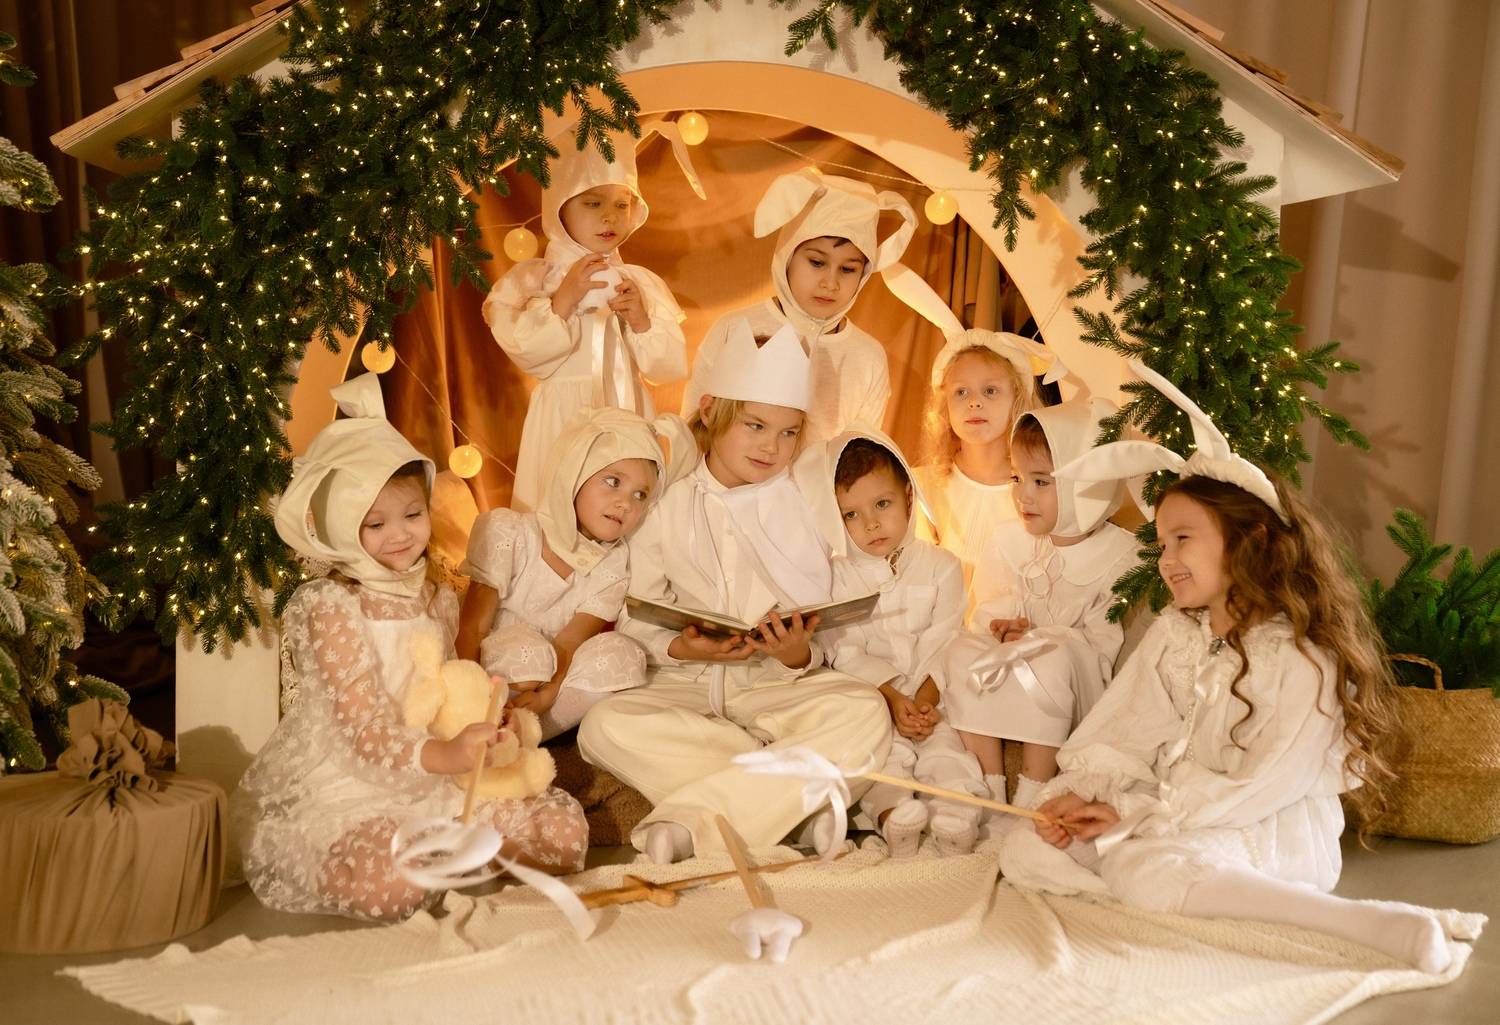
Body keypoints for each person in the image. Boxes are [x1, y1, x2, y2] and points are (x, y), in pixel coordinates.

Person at [998, 360, 1466, 974]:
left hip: (1260, 823)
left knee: (1147, 867)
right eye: (1161, 543)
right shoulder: (1175, 634)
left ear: (1249, 540)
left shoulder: (1304, 656)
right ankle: (1161, 883)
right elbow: (1125, 732)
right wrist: (1086, 797)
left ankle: (1371, 924)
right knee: (1024, 849)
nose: (1166, 559)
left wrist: (1138, 820)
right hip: (1167, 814)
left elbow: (1264, 783)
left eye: (1183, 539)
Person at [231, 374, 587, 921]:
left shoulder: (437, 596)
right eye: (375, 524)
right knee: (391, 881)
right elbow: (359, 732)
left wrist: (490, 720)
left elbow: (452, 689)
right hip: (359, 776)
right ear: (342, 527)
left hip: (442, 766)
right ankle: (412, 856)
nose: (400, 535)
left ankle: (462, 850)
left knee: (561, 835)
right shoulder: (333, 606)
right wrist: (443, 756)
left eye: (413, 515)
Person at [580, 321, 891, 864]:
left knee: (864, 711)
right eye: (755, 425)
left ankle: (690, 824)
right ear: (710, 411)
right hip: (686, 685)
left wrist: (796, 656)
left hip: (774, 686)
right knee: (602, 727)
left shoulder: (807, 501)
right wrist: (682, 647)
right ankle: (794, 808)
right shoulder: (663, 501)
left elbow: (826, 622)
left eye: (789, 433)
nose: (772, 447)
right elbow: (636, 619)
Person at [483, 123, 704, 510]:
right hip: (566, 416)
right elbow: (529, 352)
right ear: (560, 208)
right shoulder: (542, 280)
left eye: (621, 205)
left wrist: (641, 322)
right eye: (593, 204)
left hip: (625, 406)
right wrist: (563, 301)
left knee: (627, 503)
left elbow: (666, 367)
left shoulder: (637, 282)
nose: (610, 218)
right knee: (560, 501)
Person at [938, 398, 1138, 817]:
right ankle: (988, 787)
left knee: (1051, 654)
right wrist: (1002, 627)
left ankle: (1033, 791)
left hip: (1070, 679)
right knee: (959, 650)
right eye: (1016, 478)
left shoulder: (1121, 556)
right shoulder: (1010, 540)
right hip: (1014, 664)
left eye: (1042, 482)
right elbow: (987, 610)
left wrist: (1039, 638)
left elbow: (1102, 643)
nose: (1022, 495)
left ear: (1086, 484)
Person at [456, 407, 686, 740]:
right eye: (613, 482)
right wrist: (469, 700)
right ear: (574, 473)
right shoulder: (509, 532)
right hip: (492, 666)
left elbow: (569, 642)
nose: (626, 503)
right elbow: (472, 628)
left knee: (622, 652)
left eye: (640, 495)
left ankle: (527, 732)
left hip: (554, 669)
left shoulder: (613, 564)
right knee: (529, 654)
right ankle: (486, 727)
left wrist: (548, 695)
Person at [811, 430, 987, 856]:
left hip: (932, 695)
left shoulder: (942, 566)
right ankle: (895, 819)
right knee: (880, 758)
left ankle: (955, 816)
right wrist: (891, 698)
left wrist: (924, 700)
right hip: (874, 700)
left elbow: (947, 639)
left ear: (908, 496)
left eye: (882, 504)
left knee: (947, 748)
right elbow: (844, 650)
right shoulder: (834, 578)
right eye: (851, 515)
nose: (871, 524)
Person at [683, 166, 943, 443]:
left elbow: (859, 454)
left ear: (864, 274)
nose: (830, 283)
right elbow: (690, 432)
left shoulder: (868, 358)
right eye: (817, 262)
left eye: (848, 269)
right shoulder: (734, 328)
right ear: (787, 255)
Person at [911, 329, 1062, 618]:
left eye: (990, 391)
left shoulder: (1037, 492)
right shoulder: (923, 488)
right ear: (945, 405)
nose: (974, 402)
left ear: (1017, 399)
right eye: (961, 392)